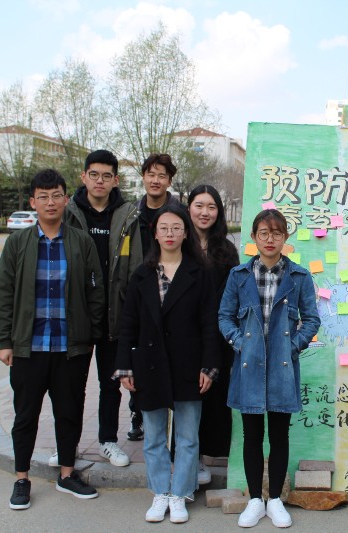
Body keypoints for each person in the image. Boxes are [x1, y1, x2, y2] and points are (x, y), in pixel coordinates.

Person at [0, 169, 103, 510]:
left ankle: (67, 474)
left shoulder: (80, 241)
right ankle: (21, 478)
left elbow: (95, 291)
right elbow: (3, 292)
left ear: (66, 199)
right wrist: (5, 340)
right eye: (43, 197)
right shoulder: (18, 243)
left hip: (71, 348)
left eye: (56, 195)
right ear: (33, 202)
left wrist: (90, 335)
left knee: (69, 412)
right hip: (29, 347)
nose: (50, 202)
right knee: (25, 415)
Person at [115, 206, 221, 523]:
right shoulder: (142, 275)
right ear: (156, 234)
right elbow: (128, 324)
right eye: (164, 228)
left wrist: (209, 365)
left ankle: (180, 493)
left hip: (189, 364)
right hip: (149, 365)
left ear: (186, 233)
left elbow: (209, 324)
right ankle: (160, 491)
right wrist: (125, 366)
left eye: (177, 227)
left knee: (188, 437)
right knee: (154, 437)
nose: (170, 233)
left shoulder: (200, 273)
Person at [218, 209, 321, 529]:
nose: (270, 239)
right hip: (248, 366)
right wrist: (240, 343)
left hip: (282, 367)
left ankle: (274, 499)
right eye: (264, 233)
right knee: (251, 434)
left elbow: (312, 319)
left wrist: (293, 346)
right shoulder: (239, 275)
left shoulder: (299, 276)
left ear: (285, 237)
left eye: (276, 233)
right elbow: (224, 316)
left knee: (279, 434)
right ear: (254, 237)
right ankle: (254, 500)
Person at [62, 149, 142, 467]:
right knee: (72, 386)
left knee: (110, 385)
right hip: (79, 315)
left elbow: (135, 267)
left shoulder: (126, 215)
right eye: (94, 174)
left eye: (106, 176)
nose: (99, 181)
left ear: (115, 180)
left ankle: (108, 441)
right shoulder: (69, 213)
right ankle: (67, 446)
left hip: (114, 315)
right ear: (83, 176)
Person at [187, 185, 240, 486]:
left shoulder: (226, 250)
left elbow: (233, 293)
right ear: (189, 208)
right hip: (184, 333)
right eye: (199, 205)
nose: (204, 212)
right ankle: (190, 458)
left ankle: (208, 453)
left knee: (214, 395)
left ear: (218, 212)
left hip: (218, 333)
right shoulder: (179, 244)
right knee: (187, 397)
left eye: (211, 207)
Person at [136, 153, 182, 254]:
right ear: (143, 178)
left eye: (161, 176)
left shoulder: (182, 213)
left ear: (169, 181)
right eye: (151, 175)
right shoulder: (132, 213)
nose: (155, 181)